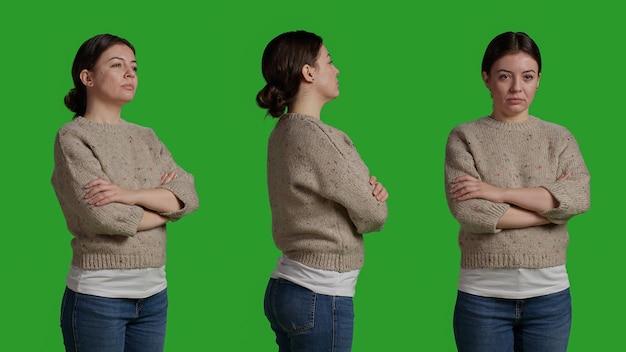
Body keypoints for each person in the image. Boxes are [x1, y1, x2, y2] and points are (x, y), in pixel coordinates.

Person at [51, 34, 199, 352]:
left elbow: (188, 195)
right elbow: (106, 216)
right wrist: (166, 206)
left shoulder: (146, 136)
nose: (130, 73)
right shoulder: (72, 137)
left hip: (155, 296)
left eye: (133, 66)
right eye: (117, 65)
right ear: (87, 77)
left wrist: (129, 194)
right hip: (98, 299)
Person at [444, 31, 591, 352]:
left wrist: (497, 193)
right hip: (482, 299)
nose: (516, 87)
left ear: (538, 80)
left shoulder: (559, 138)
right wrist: (551, 210)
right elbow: (469, 212)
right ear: (486, 79)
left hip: (550, 298)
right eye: (504, 76)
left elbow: (579, 198)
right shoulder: (465, 136)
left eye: (527, 76)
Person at [256, 30, 389, 351]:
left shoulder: (283, 132)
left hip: (287, 287)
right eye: (329, 61)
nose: (336, 69)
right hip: (320, 291)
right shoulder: (322, 138)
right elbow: (374, 215)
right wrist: (372, 198)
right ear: (308, 72)